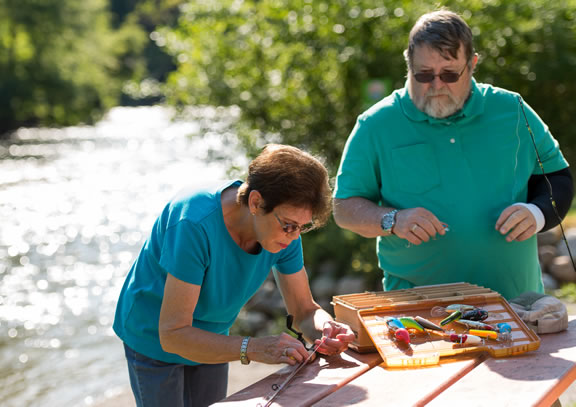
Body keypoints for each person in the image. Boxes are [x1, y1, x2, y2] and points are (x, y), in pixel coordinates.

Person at [333, 9, 573, 301]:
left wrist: (537, 214)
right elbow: (344, 207)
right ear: (408, 66)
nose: (436, 85)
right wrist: (392, 219)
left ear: (471, 65)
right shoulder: (375, 125)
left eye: (449, 74)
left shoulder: (513, 110)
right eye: (423, 74)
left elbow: (556, 179)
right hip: (419, 312)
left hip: (515, 302)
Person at [113, 144, 355, 407]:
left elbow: (305, 311)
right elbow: (173, 334)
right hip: (154, 337)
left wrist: (326, 328)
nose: (295, 236)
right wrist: (253, 348)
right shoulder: (194, 223)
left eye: (301, 227)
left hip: (214, 334)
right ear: (255, 202)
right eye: (288, 225)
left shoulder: (285, 234)